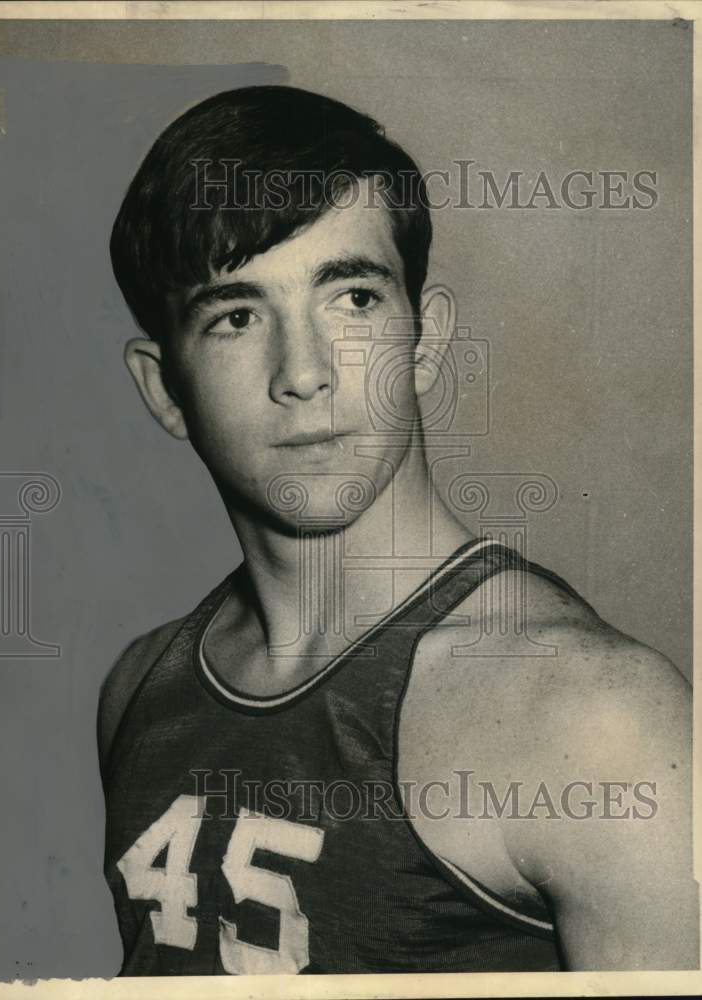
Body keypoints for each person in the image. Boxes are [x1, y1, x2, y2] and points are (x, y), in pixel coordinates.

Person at [98, 85, 697, 974]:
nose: (302, 374)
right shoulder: (140, 690)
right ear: (162, 388)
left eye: (352, 301)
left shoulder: (601, 718)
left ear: (425, 341)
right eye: (236, 316)